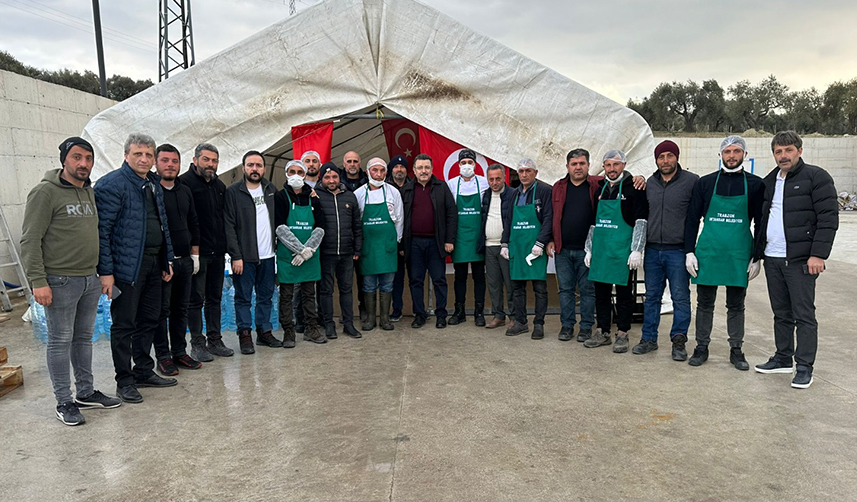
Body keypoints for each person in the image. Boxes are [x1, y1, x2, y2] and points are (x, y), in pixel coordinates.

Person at [21, 137, 122, 425]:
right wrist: (38, 281)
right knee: (60, 341)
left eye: (88, 158)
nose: (83, 164)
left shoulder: (88, 192)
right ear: (64, 160)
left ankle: (86, 393)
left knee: (83, 339)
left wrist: (102, 273)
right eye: (77, 157)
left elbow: (96, 236)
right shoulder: (44, 193)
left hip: (89, 279)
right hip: (60, 280)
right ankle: (64, 400)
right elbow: (30, 239)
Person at [95, 133, 176, 404]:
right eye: (138, 154)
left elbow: (161, 223)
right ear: (126, 155)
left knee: (150, 320)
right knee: (124, 325)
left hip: (154, 263)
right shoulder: (111, 185)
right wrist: (106, 272)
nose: (144, 159)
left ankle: (143, 370)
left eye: (148, 155)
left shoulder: (152, 183)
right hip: (126, 269)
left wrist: (167, 259)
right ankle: (124, 380)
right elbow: (102, 232)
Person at [753, 131, 838, 389]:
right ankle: (782, 358)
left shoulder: (816, 177)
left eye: (788, 150)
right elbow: (762, 220)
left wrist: (818, 254)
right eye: (778, 152)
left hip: (801, 260)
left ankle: (803, 366)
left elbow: (828, 218)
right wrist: (758, 255)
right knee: (781, 313)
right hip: (773, 258)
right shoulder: (769, 181)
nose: (783, 156)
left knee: (804, 314)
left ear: (799, 150)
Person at [684, 135, 765, 370]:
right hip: (709, 251)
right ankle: (701, 347)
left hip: (738, 253)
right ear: (720, 155)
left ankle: (736, 349)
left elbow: (760, 222)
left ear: (744, 155)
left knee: (736, 304)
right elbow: (691, 219)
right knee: (704, 302)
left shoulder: (756, 185)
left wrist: (757, 256)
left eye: (736, 151)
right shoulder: (706, 183)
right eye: (727, 152)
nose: (731, 156)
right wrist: (690, 251)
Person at [633, 141, 698, 359]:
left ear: (677, 157)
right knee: (652, 296)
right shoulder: (649, 183)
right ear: (656, 160)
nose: (666, 161)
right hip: (652, 250)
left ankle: (679, 340)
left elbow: (697, 215)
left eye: (670, 156)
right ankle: (649, 338)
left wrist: (690, 250)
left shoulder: (691, 182)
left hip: (678, 251)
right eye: (661, 157)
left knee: (680, 297)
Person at [584, 150, 648, 353]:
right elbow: (594, 223)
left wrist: (637, 249)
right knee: (601, 294)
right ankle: (602, 331)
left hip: (622, 252)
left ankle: (622, 333)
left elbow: (641, 220)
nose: (612, 169)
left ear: (624, 165)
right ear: (603, 167)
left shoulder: (634, 188)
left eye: (616, 165)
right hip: (602, 252)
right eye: (608, 165)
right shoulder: (599, 189)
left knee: (624, 294)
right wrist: (589, 249)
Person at [152, 144, 203, 376]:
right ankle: (163, 356)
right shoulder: (152, 191)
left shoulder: (184, 190)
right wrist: (166, 260)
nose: (170, 165)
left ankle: (179, 351)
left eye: (174, 161)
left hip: (185, 261)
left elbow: (193, 221)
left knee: (181, 309)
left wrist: (195, 255)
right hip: (164, 263)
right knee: (162, 311)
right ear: (156, 163)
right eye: (165, 160)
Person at [179, 143, 233, 360]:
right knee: (195, 299)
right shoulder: (185, 184)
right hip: (196, 253)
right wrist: (191, 252)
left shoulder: (220, 186)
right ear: (195, 160)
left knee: (215, 298)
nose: (211, 164)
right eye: (206, 160)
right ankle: (197, 343)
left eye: (214, 160)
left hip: (217, 252)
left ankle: (215, 339)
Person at [224, 151, 278, 354]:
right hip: (244, 257)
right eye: (250, 165)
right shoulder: (234, 192)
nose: (255, 169)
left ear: (264, 168)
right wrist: (235, 256)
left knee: (266, 296)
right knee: (243, 297)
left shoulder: (270, 189)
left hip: (268, 255)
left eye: (259, 165)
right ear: (243, 167)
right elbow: (228, 225)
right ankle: (245, 335)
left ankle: (264, 332)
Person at [274, 160, 327, 346]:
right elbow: (280, 227)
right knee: (286, 295)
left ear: (305, 175)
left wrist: (308, 251)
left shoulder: (313, 198)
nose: (296, 175)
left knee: (309, 294)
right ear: (286, 173)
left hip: (310, 255)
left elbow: (320, 228)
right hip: (288, 255)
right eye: (292, 171)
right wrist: (299, 249)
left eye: (300, 172)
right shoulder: (280, 197)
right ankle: (289, 331)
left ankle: (311, 328)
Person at [401, 154, 457, 329]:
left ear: (432, 169)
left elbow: (451, 214)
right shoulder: (407, 189)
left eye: (427, 167)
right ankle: (420, 314)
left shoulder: (442, 187)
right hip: (414, 243)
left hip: (436, 243)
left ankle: (441, 315)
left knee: (439, 279)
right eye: (420, 168)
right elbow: (400, 219)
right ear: (414, 170)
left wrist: (449, 239)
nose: (424, 171)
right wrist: (402, 245)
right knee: (415, 280)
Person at [502, 158, 553, 339]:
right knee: (517, 288)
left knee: (539, 288)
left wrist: (540, 243)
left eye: (528, 171)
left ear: (535, 173)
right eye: (521, 171)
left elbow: (548, 218)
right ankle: (521, 322)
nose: (524, 174)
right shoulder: (513, 194)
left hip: (535, 247)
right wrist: (504, 243)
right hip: (517, 246)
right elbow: (508, 221)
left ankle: (539, 324)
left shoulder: (545, 191)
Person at [354, 158, 404, 331]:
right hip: (368, 248)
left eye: (382, 170)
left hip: (387, 247)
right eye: (375, 170)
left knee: (387, 284)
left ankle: (384, 319)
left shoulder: (393, 192)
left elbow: (400, 219)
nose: (378, 174)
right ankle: (370, 320)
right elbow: (355, 222)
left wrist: (395, 240)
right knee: (368, 284)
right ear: (368, 172)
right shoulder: (359, 194)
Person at [315, 163, 363, 339]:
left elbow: (357, 226)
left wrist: (357, 248)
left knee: (347, 289)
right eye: (327, 177)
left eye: (334, 177)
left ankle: (348, 324)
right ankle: (329, 324)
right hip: (325, 253)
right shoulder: (316, 196)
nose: (331, 180)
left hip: (346, 253)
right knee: (326, 290)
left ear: (339, 178)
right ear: (322, 179)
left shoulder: (349, 197)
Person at [446, 149, 489, 326]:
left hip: (478, 236)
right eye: (463, 163)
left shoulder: (485, 183)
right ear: (458, 165)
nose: (466, 166)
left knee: (479, 276)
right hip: (460, 237)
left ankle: (479, 312)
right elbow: (449, 212)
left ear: (475, 164)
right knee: (460, 276)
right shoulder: (450, 184)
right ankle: (459, 311)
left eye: (470, 162)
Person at [480, 163, 516, 329]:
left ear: (504, 178)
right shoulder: (485, 195)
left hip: (506, 247)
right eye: (491, 179)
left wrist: (507, 243)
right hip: (489, 246)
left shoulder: (513, 194)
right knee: (493, 284)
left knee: (510, 284)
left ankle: (514, 316)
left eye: (498, 179)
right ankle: (498, 315)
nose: (494, 182)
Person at [386, 155, 410, 321]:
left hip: (413, 239)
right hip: (393, 241)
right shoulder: (385, 188)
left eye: (402, 167)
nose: (399, 170)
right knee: (396, 277)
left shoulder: (414, 186)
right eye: (396, 167)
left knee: (416, 277)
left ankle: (419, 310)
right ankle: (397, 308)